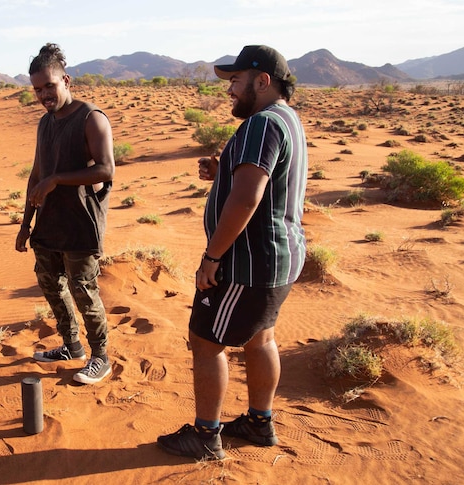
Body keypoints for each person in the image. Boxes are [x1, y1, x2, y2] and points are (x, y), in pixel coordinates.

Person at [157, 45, 307, 460]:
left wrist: (212, 257)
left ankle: (206, 436)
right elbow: (258, 179)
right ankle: (259, 423)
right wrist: (222, 170)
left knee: (206, 341)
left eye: (236, 81)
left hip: (247, 262)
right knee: (260, 339)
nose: (230, 90)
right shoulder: (286, 120)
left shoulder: (261, 124)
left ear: (262, 81)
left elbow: (247, 200)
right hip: (279, 257)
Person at [15, 43, 116, 385]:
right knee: (50, 284)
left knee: (83, 289)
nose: (44, 94)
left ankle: (100, 357)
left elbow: (105, 170)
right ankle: (72, 346)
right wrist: (25, 224)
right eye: (37, 89)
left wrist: (57, 180)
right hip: (49, 223)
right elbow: (36, 174)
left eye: (49, 86)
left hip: (81, 224)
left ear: (66, 80)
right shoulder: (45, 124)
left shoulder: (91, 118)